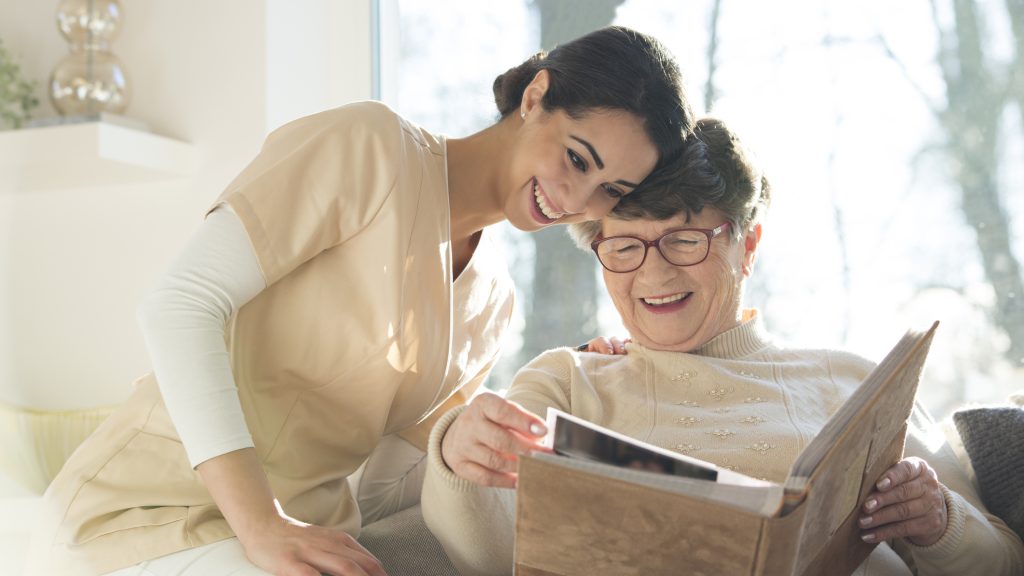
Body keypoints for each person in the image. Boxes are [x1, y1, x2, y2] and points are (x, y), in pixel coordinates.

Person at [24, 26, 696, 576]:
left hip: (299, 546)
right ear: (537, 96)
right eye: (577, 159)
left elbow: (381, 490)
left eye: (610, 191)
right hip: (148, 518)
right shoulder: (369, 147)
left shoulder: (492, 300)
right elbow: (177, 305)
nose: (576, 202)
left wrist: (482, 442)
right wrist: (262, 525)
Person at [421, 118, 1024, 575]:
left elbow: (1004, 559)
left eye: (685, 240)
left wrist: (939, 521)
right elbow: (490, 555)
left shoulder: (855, 383)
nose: (653, 277)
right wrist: (458, 456)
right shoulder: (567, 381)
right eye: (626, 246)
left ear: (748, 244)